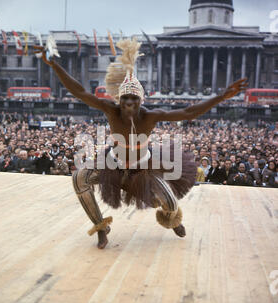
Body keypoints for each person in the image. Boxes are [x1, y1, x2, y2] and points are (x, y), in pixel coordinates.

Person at [35, 38, 247, 249]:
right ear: (119, 99)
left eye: (134, 99)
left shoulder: (150, 116)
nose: (129, 103)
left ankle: (173, 220)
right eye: (125, 98)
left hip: (144, 168)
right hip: (113, 165)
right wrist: (54, 64)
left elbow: (189, 112)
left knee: (169, 203)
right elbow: (80, 92)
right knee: (79, 179)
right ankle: (101, 228)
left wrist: (221, 96)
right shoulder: (111, 110)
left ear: (141, 100)